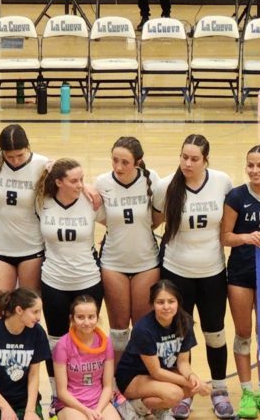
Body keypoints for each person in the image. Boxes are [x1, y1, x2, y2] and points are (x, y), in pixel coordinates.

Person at [152, 134, 234, 419]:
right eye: (184, 157)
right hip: (177, 274)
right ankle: (182, 391)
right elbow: (152, 222)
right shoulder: (166, 187)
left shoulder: (222, 182)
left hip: (212, 272)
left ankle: (220, 388)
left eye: (194, 159)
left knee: (215, 333)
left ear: (205, 160)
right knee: (179, 337)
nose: (187, 163)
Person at [35, 158, 104, 413]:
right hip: (54, 281)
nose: (80, 185)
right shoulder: (42, 202)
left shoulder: (91, 202)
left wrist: (88, 189)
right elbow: (39, 165)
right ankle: (57, 394)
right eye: (74, 181)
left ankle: (88, 390)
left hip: (88, 281)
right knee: (56, 341)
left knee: (86, 336)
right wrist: (50, 162)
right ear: (58, 182)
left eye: (81, 180)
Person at [219, 146, 260, 419]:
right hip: (241, 273)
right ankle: (246, 392)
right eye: (251, 165)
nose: (255, 170)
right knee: (243, 333)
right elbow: (225, 237)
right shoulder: (236, 196)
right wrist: (246, 237)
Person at [95, 137, 160, 363]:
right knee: (119, 330)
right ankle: (117, 381)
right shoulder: (102, 182)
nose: (118, 167)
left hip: (146, 263)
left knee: (142, 327)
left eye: (125, 162)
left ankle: (141, 376)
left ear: (138, 162)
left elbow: (156, 220)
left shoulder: (152, 180)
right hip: (113, 263)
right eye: (114, 161)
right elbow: (103, 218)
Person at [0, 125, 49, 319]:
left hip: (32, 250)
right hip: (0, 249)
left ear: (28, 147)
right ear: (2, 152)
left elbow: (71, 178)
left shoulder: (42, 164)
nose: (16, 161)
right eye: (10, 157)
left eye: (20, 155)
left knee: (28, 315)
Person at [115, 280, 209, 420]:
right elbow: (156, 372)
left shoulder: (185, 322)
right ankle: (132, 407)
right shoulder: (143, 329)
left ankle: (159, 410)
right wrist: (191, 382)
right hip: (132, 378)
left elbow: (183, 362)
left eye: (171, 301)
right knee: (175, 393)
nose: (166, 307)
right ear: (153, 304)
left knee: (191, 388)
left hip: (158, 375)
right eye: (160, 302)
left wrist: (192, 378)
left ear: (178, 302)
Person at [0, 288, 51, 420]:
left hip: (24, 400)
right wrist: (4, 407)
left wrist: (30, 410)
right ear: (19, 310)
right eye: (35, 312)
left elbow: (33, 374)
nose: (39, 317)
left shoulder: (37, 332)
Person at [51, 296, 120, 420]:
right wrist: (86, 411)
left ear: (97, 318)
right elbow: (61, 392)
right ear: (72, 319)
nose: (87, 322)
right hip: (71, 404)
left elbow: (108, 386)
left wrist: (98, 410)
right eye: (80, 317)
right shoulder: (62, 345)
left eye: (91, 317)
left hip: (99, 402)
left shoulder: (106, 342)